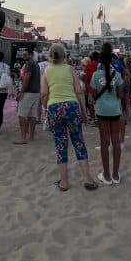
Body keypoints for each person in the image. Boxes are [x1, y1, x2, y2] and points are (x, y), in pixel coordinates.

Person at [42, 44, 98, 191]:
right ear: (64, 56)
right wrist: (84, 112)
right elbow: (79, 91)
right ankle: (87, 179)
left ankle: (64, 182)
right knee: (78, 142)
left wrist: (45, 107)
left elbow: (44, 93)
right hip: (71, 107)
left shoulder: (47, 71)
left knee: (61, 145)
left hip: (54, 107)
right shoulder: (70, 69)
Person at [91, 43, 125, 185]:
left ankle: (106, 174)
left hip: (102, 111)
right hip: (115, 110)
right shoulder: (116, 75)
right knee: (116, 141)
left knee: (104, 143)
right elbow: (121, 94)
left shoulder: (95, 75)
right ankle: (116, 174)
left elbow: (92, 95)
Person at [14, 49, 40, 144]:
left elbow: (27, 78)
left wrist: (21, 92)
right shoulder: (36, 64)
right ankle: (31, 136)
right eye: (23, 54)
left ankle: (23, 138)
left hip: (28, 92)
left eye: (26, 54)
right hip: (36, 92)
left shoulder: (29, 64)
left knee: (22, 115)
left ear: (31, 54)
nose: (24, 55)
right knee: (32, 115)